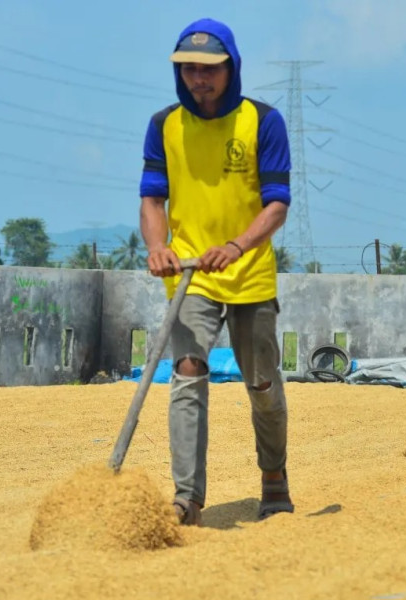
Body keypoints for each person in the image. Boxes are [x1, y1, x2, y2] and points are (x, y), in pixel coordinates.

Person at [139, 18, 294, 525]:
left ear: (231, 68)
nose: (197, 79)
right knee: (186, 374)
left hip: (248, 271)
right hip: (190, 273)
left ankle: (273, 476)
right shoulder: (164, 124)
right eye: (187, 69)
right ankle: (187, 497)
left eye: (208, 69)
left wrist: (237, 245)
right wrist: (157, 246)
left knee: (262, 384)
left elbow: (276, 205)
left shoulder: (263, 122)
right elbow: (152, 197)